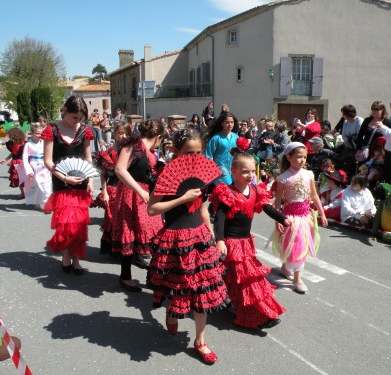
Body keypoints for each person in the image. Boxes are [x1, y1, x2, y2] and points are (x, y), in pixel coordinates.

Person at [147, 128, 229, 364]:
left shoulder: (202, 174)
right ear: (175, 151)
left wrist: (213, 236)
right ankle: (171, 311)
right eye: (189, 152)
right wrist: (182, 199)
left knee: (202, 290)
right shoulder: (166, 174)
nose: (195, 156)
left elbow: (203, 207)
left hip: (199, 237)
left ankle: (200, 341)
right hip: (175, 238)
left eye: (199, 152)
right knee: (179, 289)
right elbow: (152, 209)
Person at [210, 152, 289, 329]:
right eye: (245, 171)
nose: (250, 175)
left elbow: (267, 208)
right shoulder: (227, 192)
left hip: (246, 242)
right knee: (246, 280)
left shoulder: (255, 190)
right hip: (231, 243)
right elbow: (220, 218)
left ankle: (255, 310)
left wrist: (282, 218)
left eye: (253, 171)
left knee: (239, 279)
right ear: (233, 171)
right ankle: (255, 314)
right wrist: (220, 240)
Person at [42, 95, 95, 275]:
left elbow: (88, 158)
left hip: (81, 181)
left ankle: (77, 258)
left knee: (79, 224)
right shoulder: (52, 130)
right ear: (64, 111)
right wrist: (65, 178)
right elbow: (48, 162)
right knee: (66, 224)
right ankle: (66, 255)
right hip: (62, 183)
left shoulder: (85, 130)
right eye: (74, 117)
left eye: (80, 118)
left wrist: (91, 180)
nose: (77, 121)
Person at [112, 119, 165, 291]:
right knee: (129, 232)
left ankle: (155, 276)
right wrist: (139, 190)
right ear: (158, 137)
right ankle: (125, 277)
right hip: (130, 194)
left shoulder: (149, 151)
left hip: (142, 195)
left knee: (153, 233)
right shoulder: (133, 144)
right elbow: (120, 169)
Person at [272, 142, 328, 294]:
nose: (302, 160)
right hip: (291, 217)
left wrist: (322, 213)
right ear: (289, 157)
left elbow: (314, 195)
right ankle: (297, 278)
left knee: (301, 244)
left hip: (306, 216)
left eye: (304, 157)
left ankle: (286, 268)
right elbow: (278, 200)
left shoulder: (309, 174)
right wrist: (278, 219)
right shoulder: (283, 178)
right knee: (296, 245)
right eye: (298, 157)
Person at [93, 123, 132, 254]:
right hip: (113, 189)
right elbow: (103, 175)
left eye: (126, 133)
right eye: (120, 133)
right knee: (112, 221)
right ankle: (114, 248)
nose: (123, 136)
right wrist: (104, 191)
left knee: (128, 221)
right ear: (115, 134)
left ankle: (128, 249)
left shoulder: (133, 150)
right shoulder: (109, 152)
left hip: (130, 189)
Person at [22, 123, 52, 209]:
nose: (40, 135)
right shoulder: (28, 144)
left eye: (41, 133)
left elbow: (49, 154)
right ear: (32, 133)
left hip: (44, 165)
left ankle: (47, 202)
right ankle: (37, 201)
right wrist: (29, 170)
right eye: (37, 133)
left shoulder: (44, 143)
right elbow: (25, 158)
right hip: (34, 166)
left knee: (46, 184)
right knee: (37, 185)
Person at [204, 112, 239, 185]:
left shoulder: (236, 137)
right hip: (220, 169)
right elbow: (208, 155)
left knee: (236, 187)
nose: (230, 124)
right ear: (222, 123)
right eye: (227, 122)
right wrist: (211, 170)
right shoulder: (216, 138)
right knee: (228, 187)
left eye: (232, 122)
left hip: (234, 167)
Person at [0, 127, 27, 199]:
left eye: (12, 137)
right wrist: (5, 159)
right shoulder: (11, 144)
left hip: (23, 162)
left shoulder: (23, 144)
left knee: (26, 179)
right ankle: (22, 193)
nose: (11, 139)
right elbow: (13, 153)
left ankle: (30, 193)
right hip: (15, 163)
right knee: (17, 178)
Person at [340, 105, 363, 177]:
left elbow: (360, 135)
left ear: (348, 114)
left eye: (344, 114)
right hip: (347, 148)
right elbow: (343, 134)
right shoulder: (345, 122)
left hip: (357, 149)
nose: (343, 116)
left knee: (354, 168)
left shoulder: (359, 121)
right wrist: (347, 142)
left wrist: (353, 145)